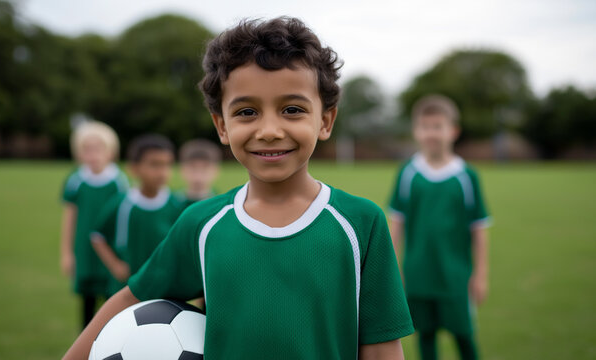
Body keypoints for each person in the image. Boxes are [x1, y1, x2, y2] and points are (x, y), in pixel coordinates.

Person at [64, 17, 413, 360]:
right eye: (247, 112)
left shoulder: (361, 223)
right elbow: (130, 300)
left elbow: (381, 347)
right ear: (222, 126)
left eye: (292, 109)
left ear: (324, 121)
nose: (269, 130)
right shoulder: (201, 223)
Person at [388, 95, 491, 360]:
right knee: (425, 336)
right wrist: (391, 270)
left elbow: (479, 229)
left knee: (464, 336)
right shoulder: (407, 173)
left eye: (438, 126)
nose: (431, 133)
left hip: (455, 276)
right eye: (425, 126)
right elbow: (396, 224)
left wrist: (480, 274)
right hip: (418, 275)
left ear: (453, 131)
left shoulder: (467, 176)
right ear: (415, 131)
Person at [91, 134, 185, 296]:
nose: (162, 172)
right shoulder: (122, 203)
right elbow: (97, 236)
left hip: (162, 288)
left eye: (167, 165)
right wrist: (115, 265)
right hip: (124, 288)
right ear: (133, 168)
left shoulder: (176, 204)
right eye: (155, 165)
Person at [60, 121, 128, 329]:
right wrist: (66, 253)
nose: (93, 154)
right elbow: (69, 219)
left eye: (98, 148)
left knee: (112, 304)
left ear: (110, 151)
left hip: (109, 252)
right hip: (85, 251)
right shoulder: (76, 180)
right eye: (87, 149)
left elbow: (123, 218)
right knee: (87, 303)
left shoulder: (117, 180)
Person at [176, 138, 222, 208]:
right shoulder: (171, 205)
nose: (198, 176)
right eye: (192, 168)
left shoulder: (221, 204)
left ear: (216, 170)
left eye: (205, 168)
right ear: (182, 169)